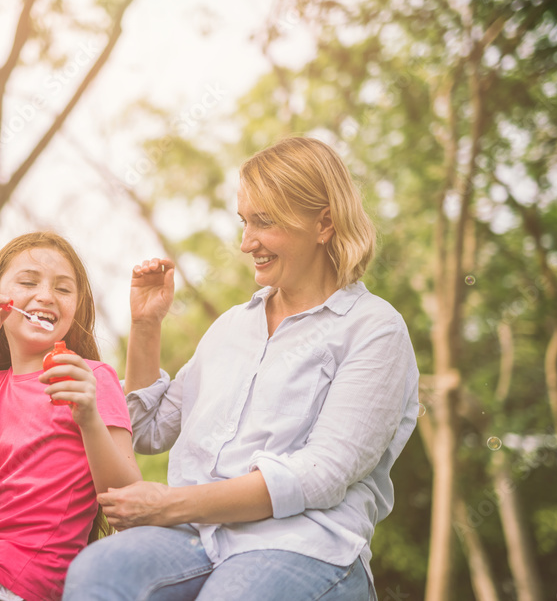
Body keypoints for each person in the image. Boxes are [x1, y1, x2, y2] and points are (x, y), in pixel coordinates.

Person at [63, 137, 420, 601]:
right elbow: (148, 430)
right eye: (244, 221)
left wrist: (169, 504)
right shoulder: (233, 327)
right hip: (198, 538)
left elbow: (322, 474)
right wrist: (146, 326)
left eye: (264, 222)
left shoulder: (374, 329)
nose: (246, 242)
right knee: (100, 571)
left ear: (324, 223)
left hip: (303, 545)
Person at [0, 232, 142, 601]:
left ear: (75, 308)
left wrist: (89, 418)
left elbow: (128, 497)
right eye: (28, 282)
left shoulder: (91, 378)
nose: (45, 296)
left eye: (63, 288)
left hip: (29, 584)